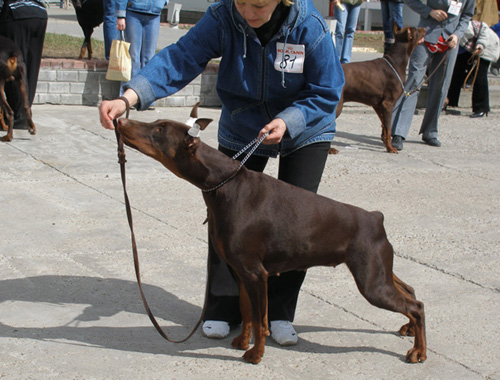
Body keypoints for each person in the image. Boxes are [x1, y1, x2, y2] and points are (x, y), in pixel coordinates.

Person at [100, 0, 344, 346]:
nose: (248, 11)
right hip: (244, 127)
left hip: (304, 128)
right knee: (227, 216)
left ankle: (279, 312)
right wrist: (129, 97)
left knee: (296, 223)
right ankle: (224, 305)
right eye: (241, 2)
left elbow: (326, 90)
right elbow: (180, 58)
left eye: (258, 4)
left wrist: (289, 121)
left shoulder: (309, 26)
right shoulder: (222, 16)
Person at [390, 0, 475, 151]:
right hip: (426, 35)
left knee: (441, 87)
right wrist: (428, 11)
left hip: (450, 42)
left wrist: (457, 35)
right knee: (414, 83)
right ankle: (398, 133)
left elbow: (467, 15)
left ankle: (430, 132)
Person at [0, 0, 47, 128]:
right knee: (30, 64)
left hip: (16, 14)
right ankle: (26, 114)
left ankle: (17, 117)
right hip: (39, 13)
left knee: (12, 64)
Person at [446, 21, 500, 117]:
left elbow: (484, 30)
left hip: (487, 46)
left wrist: (481, 44)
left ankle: (481, 108)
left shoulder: (465, 27)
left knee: (479, 76)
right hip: (469, 47)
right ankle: (450, 102)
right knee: (456, 71)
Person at [115, 0, 168, 91]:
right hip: (133, 11)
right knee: (133, 57)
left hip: (155, 13)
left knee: (149, 58)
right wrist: (121, 15)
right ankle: (128, 94)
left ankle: (146, 96)